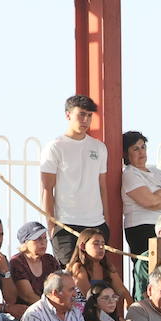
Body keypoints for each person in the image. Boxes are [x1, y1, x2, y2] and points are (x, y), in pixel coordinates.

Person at [40, 95, 108, 265]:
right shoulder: (55, 146)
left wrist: (106, 220)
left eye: (90, 115)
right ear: (68, 115)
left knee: (97, 274)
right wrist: (52, 227)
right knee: (72, 274)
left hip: (96, 223)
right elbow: (47, 189)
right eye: (81, 114)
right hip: (66, 223)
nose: (86, 120)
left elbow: (102, 187)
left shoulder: (99, 147)